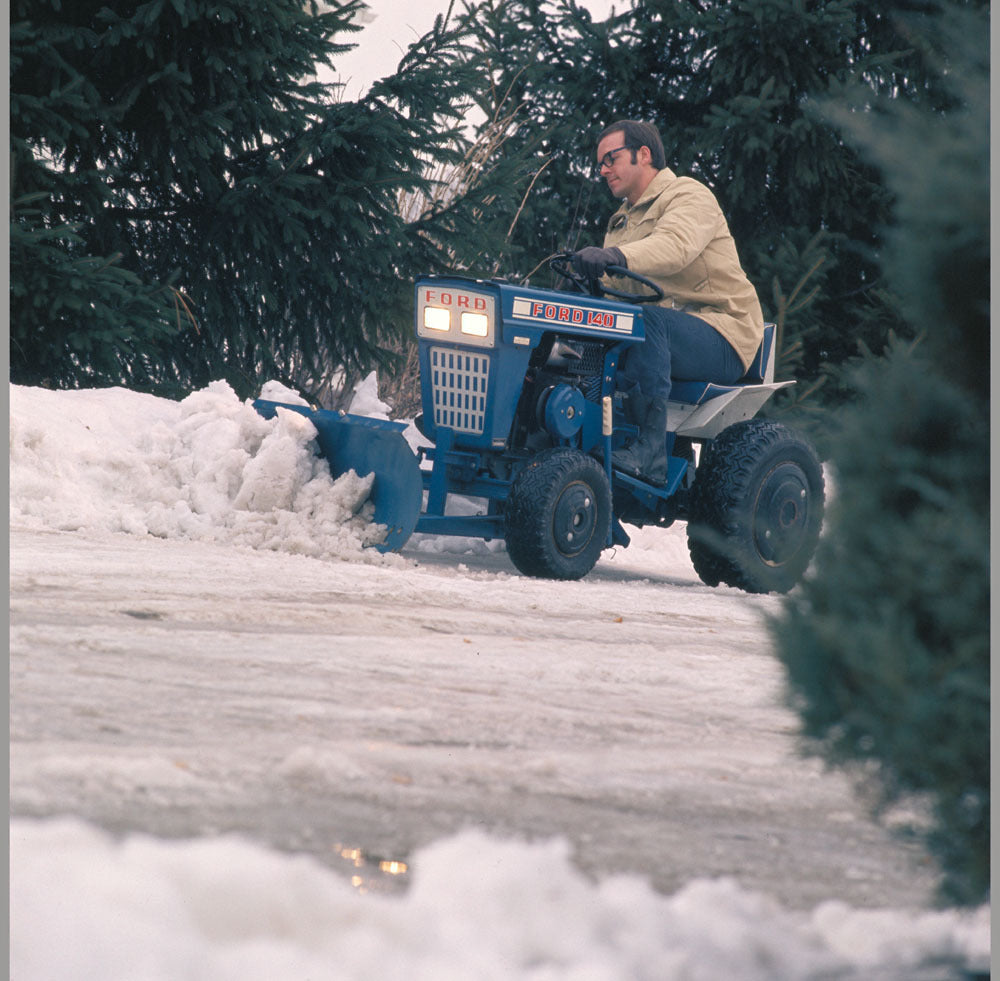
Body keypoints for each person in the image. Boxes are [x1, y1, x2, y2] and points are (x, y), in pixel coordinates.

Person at [572, 119, 765, 484]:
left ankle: (651, 454)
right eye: (600, 163)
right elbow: (619, 285)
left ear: (643, 155)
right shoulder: (622, 221)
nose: (603, 169)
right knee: (587, 328)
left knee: (645, 321)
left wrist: (613, 256)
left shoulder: (688, 195)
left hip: (723, 330)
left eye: (611, 158)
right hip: (666, 332)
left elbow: (674, 248)